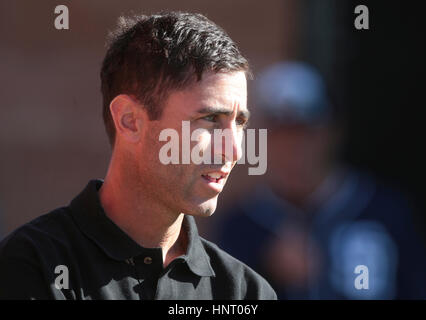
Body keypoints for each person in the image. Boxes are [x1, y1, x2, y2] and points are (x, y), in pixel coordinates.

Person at [0, 12, 276, 300]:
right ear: (130, 121)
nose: (234, 151)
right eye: (209, 119)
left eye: (240, 123)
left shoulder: (246, 293)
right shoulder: (34, 267)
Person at [214, 61, 426, 299]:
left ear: (332, 132)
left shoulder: (386, 210)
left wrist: (325, 270)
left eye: (306, 132)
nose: (293, 147)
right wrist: (262, 271)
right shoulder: (241, 222)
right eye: (280, 134)